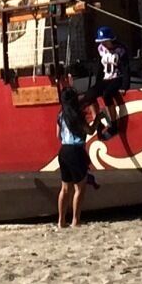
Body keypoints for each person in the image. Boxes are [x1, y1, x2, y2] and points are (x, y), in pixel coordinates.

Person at [53, 88, 92, 228]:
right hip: (76, 150)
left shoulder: (61, 115)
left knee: (64, 188)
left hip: (63, 151)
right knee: (79, 188)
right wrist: (99, 119)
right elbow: (90, 131)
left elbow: (58, 136)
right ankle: (75, 220)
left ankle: (61, 221)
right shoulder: (77, 115)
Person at [91, 25, 130, 138]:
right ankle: (98, 122)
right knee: (90, 95)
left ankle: (113, 124)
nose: (102, 44)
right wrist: (97, 83)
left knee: (107, 94)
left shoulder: (120, 50)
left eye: (104, 41)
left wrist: (125, 85)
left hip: (117, 77)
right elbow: (99, 68)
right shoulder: (101, 50)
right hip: (106, 77)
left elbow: (125, 67)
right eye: (100, 42)